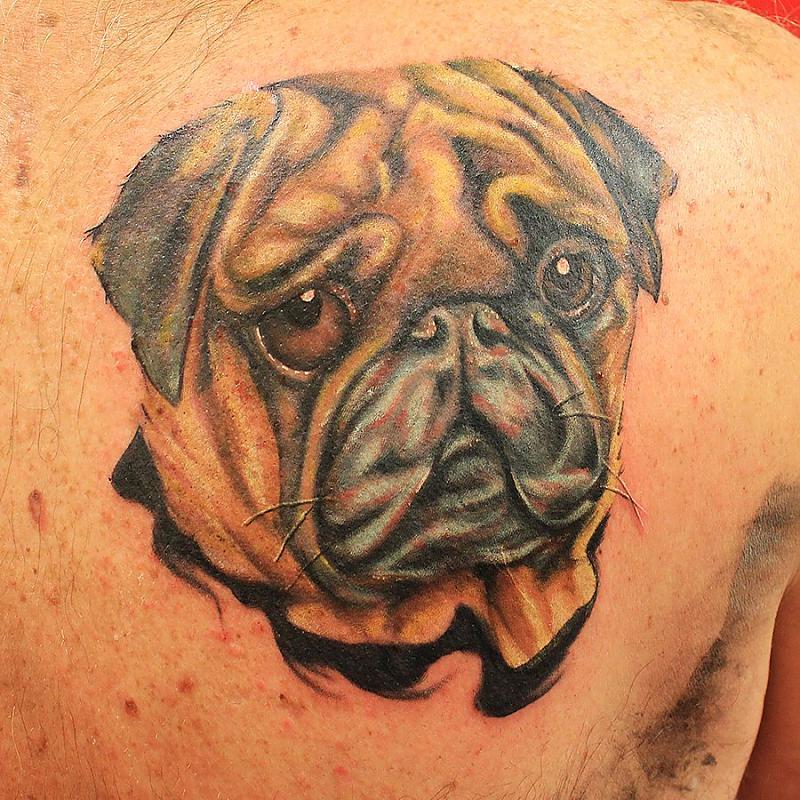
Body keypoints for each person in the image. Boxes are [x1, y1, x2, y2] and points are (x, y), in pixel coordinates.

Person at [1, 1, 798, 797]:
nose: (462, 359)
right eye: (309, 315)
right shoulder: (765, 130)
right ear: (160, 326)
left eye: (566, 280)